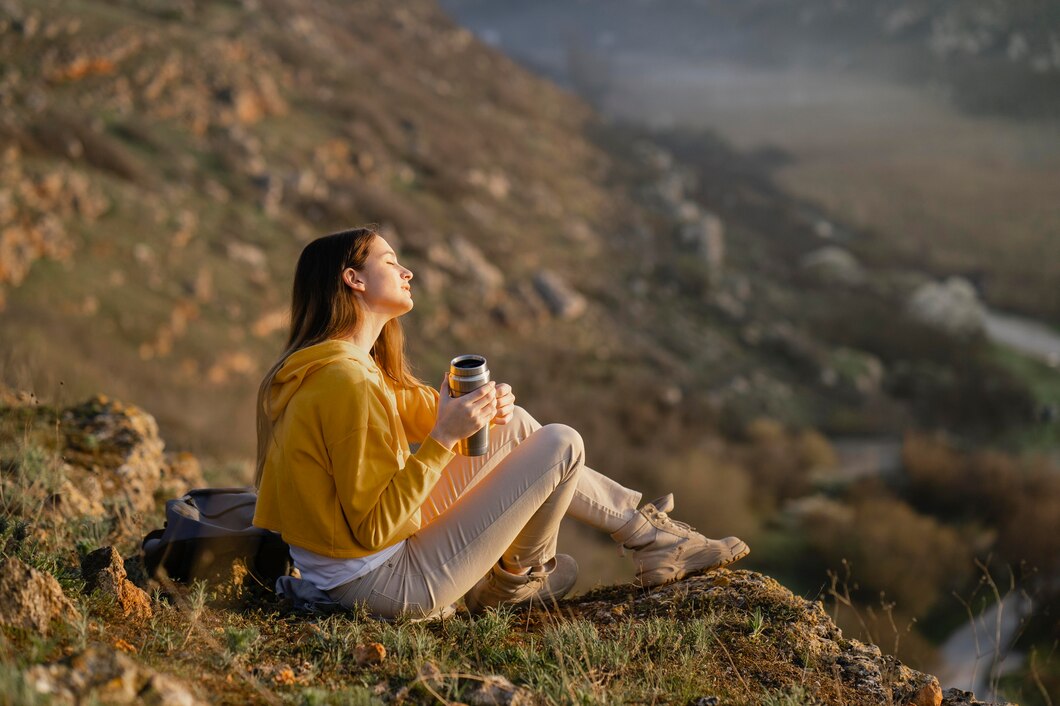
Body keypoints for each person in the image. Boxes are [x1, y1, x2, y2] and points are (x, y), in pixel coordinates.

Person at [252, 227, 749, 620]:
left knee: (517, 427)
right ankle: (517, 582)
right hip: (380, 584)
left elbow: (419, 415)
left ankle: (645, 537)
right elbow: (375, 526)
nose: (407, 271)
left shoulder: (349, 367)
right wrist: (446, 436)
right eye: (389, 262)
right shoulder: (345, 382)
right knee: (563, 444)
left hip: (360, 563)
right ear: (353, 280)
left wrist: (479, 410)